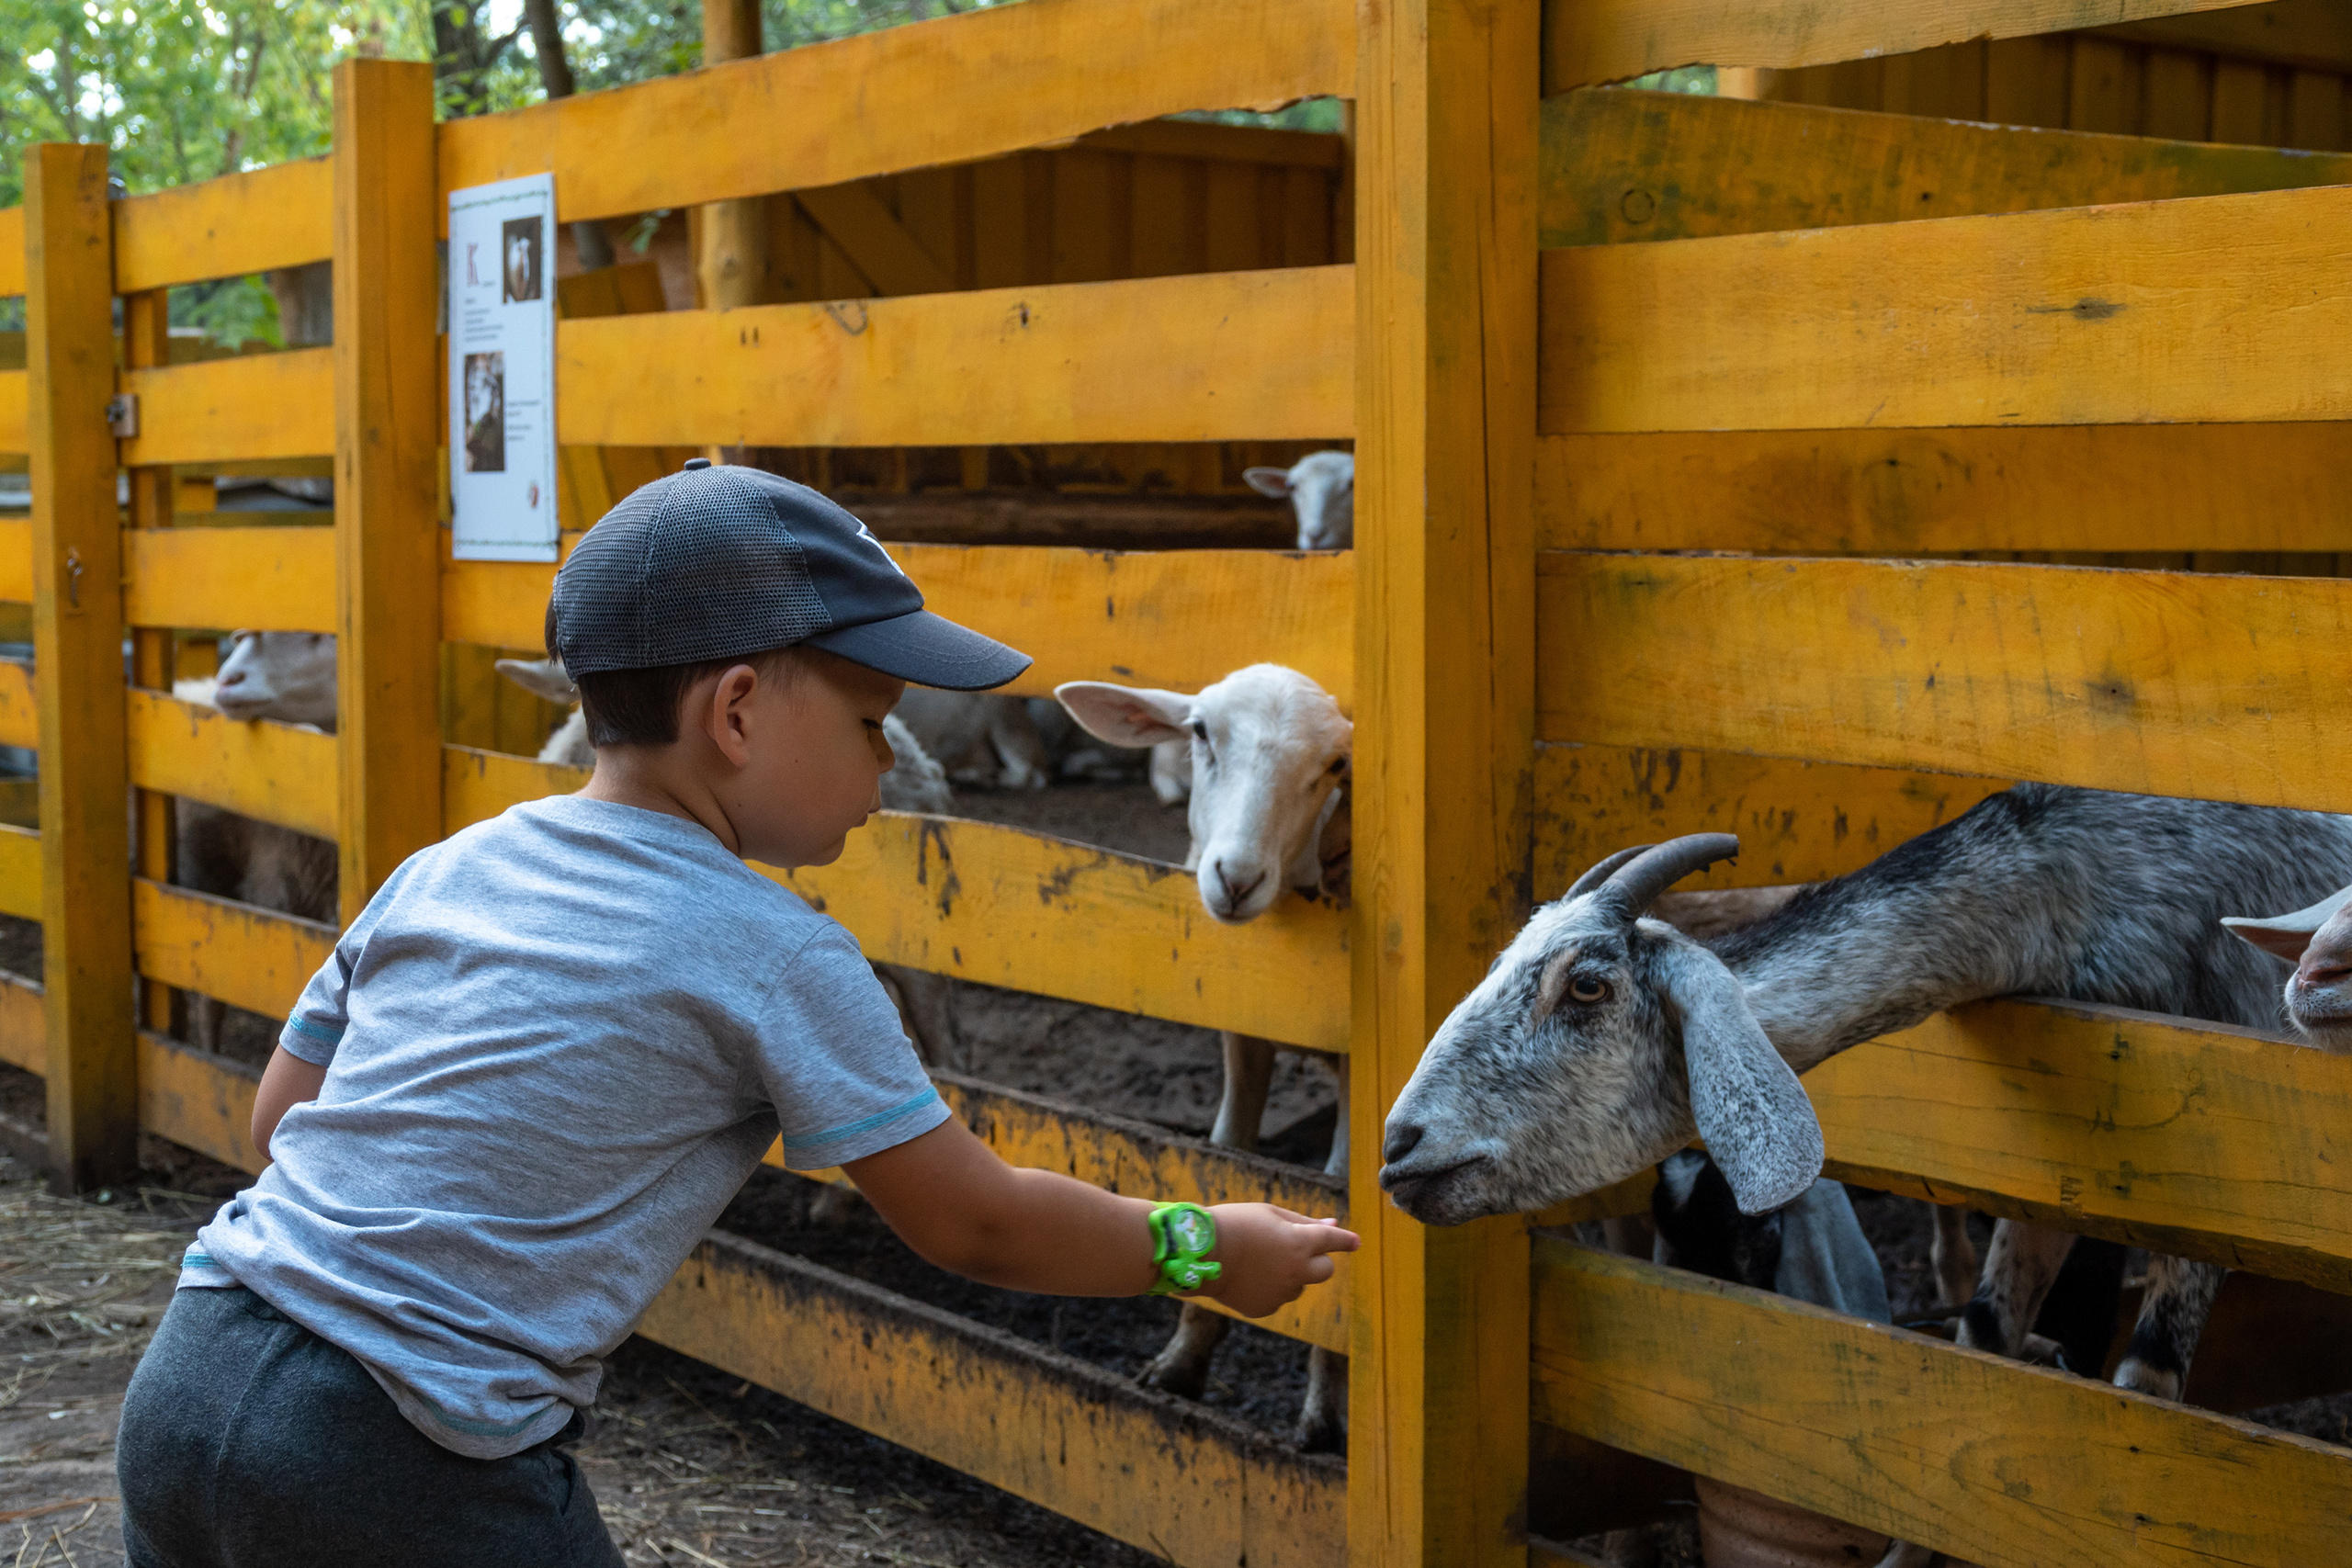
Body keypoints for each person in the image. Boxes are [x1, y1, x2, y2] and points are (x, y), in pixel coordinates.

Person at [116, 458, 1358, 1566]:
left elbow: (284, 1119)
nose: (889, 766)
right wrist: (1206, 1250)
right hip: (416, 1454)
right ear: (738, 713)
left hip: (193, 1366)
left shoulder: (446, 864)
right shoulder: (779, 952)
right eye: (874, 725)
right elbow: (977, 1226)